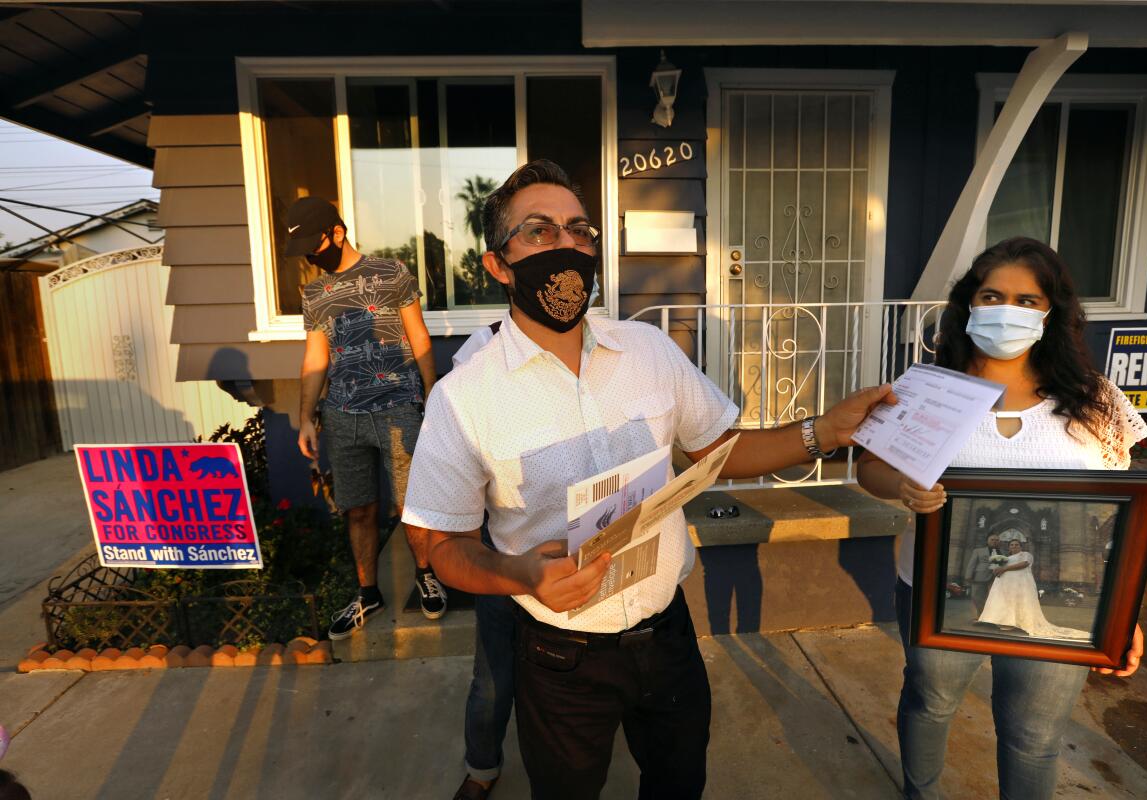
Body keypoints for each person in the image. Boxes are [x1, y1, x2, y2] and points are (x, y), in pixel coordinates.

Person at [402, 159, 898, 800]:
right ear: (498, 264)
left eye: (579, 230)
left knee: (678, 783)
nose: (567, 245)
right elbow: (440, 546)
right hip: (560, 657)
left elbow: (718, 450)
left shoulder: (650, 352)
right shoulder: (463, 396)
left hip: (666, 635)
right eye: (540, 231)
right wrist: (521, 574)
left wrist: (824, 432)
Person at [857, 236, 1147, 799]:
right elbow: (869, 469)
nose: (1006, 311)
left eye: (1027, 300)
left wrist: (1120, 607)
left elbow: (1118, 518)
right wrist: (903, 486)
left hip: (1063, 597)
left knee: (1034, 737)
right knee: (930, 701)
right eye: (992, 296)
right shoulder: (926, 390)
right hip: (936, 591)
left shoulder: (1098, 401)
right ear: (970, 304)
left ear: (1052, 312)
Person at [450, 267, 601, 800]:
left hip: (575, 546)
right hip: (507, 552)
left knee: (572, 680)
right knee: (493, 676)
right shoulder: (479, 358)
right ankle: (482, 767)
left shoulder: (600, 353)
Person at [288, 196, 447, 638]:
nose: (309, 255)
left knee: (410, 505)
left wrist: (432, 392)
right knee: (359, 510)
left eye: (313, 244)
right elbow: (315, 358)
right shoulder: (314, 293)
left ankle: (425, 574)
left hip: (399, 405)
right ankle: (368, 593)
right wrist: (306, 417)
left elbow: (417, 334)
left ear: (337, 232)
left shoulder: (391, 273)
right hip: (342, 416)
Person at [978, 540, 1089, 640]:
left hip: (1020, 583)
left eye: (1017, 545)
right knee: (1007, 601)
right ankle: (1005, 621)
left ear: (1021, 546)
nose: (1014, 546)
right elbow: (997, 570)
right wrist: (996, 570)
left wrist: (1005, 568)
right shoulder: (1005, 558)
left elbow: (1024, 564)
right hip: (1006, 584)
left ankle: (1018, 622)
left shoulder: (1026, 555)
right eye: (1012, 545)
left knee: (1020, 601)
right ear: (1009, 547)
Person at [963, 534, 1003, 615]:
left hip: (997, 577)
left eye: (996, 540)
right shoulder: (978, 551)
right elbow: (972, 563)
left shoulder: (1003, 552)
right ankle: (981, 614)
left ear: (999, 542)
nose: (994, 541)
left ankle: (990, 616)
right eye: (992, 539)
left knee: (993, 597)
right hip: (979, 576)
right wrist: (968, 575)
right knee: (976, 596)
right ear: (987, 541)